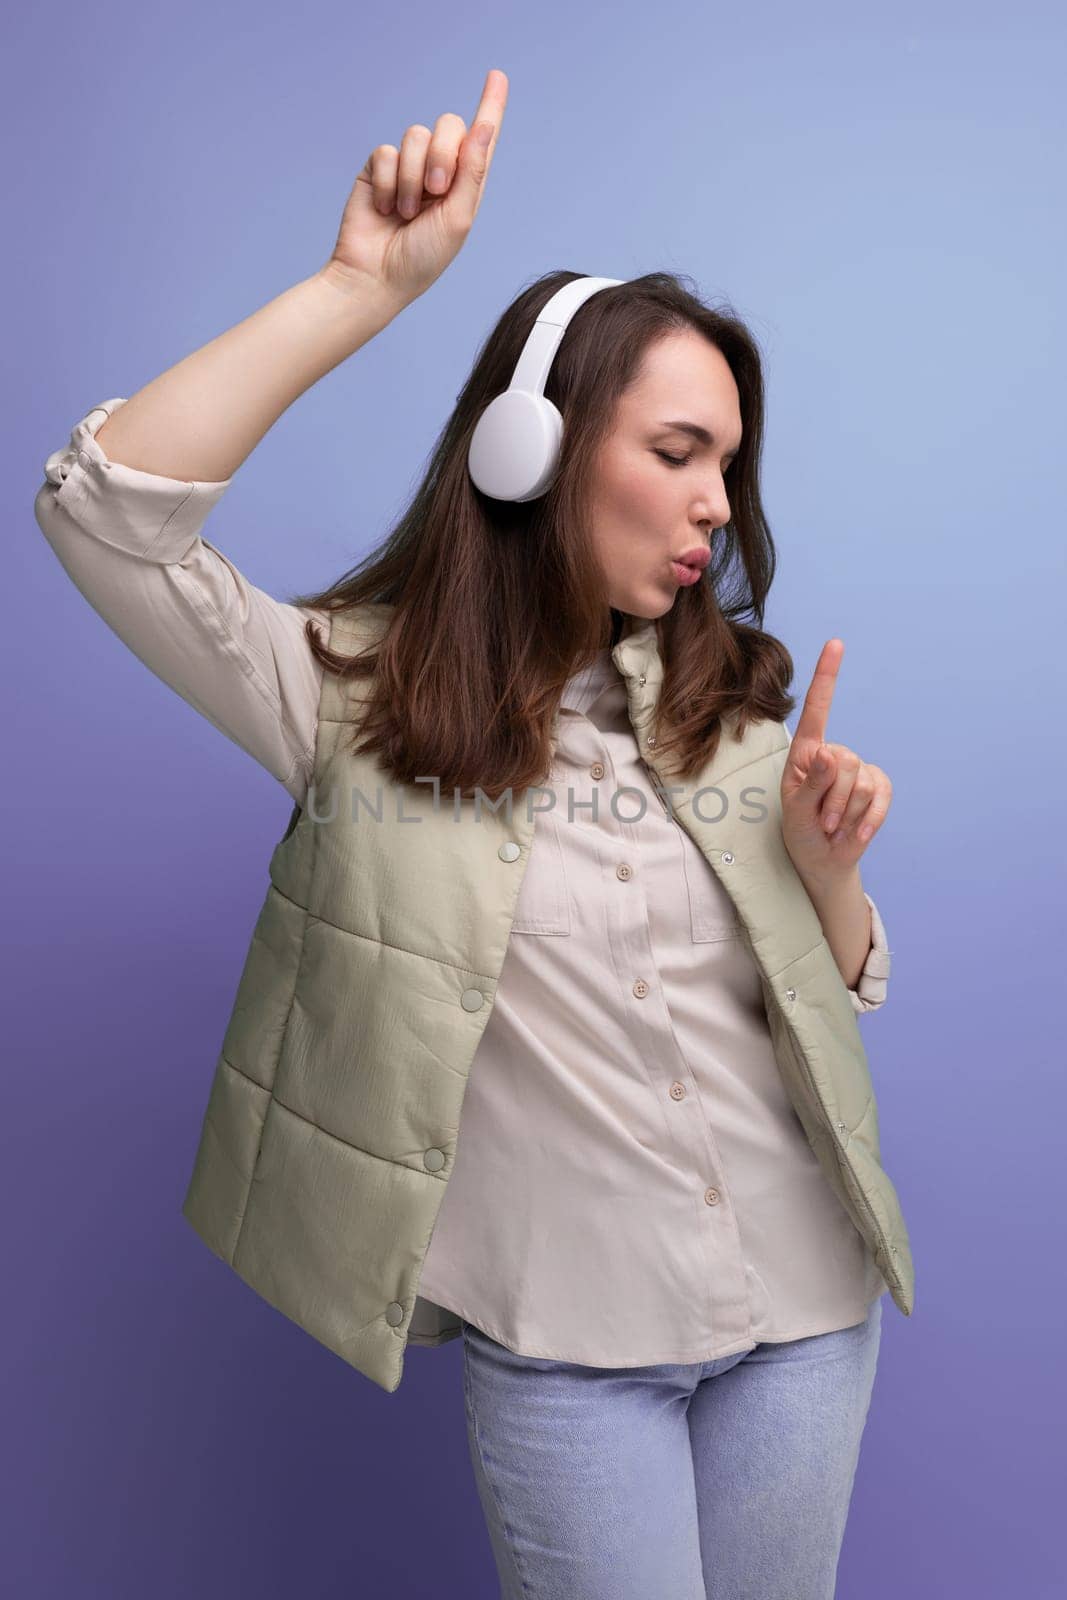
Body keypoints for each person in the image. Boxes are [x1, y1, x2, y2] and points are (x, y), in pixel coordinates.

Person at [34, 66, 913, 1600]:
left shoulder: (737, 709)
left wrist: (831, 881)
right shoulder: (350, 698)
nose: (718, 503)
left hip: (809, 1316)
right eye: (678, 450)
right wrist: (355, 288)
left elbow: (823, 1004)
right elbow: (105, 513)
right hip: (568, 1350)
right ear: (533, 447)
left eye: (729, 464)